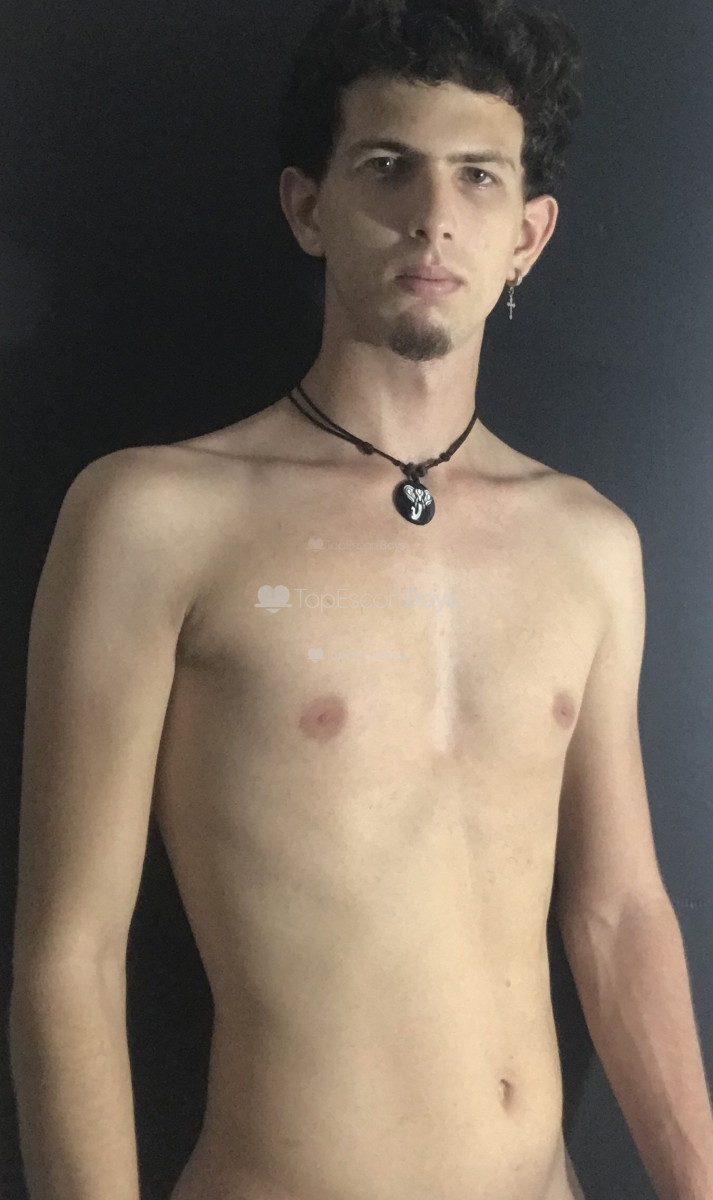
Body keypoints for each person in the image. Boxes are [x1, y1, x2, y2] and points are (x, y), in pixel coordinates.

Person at [10, 2, 713, 1199]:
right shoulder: (154, 517)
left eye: (477, 176)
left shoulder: (588, 542)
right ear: (307, 207)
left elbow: (617, 912)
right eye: (388, 165)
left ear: (526, 235)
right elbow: (69, 959)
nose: (433, 214)